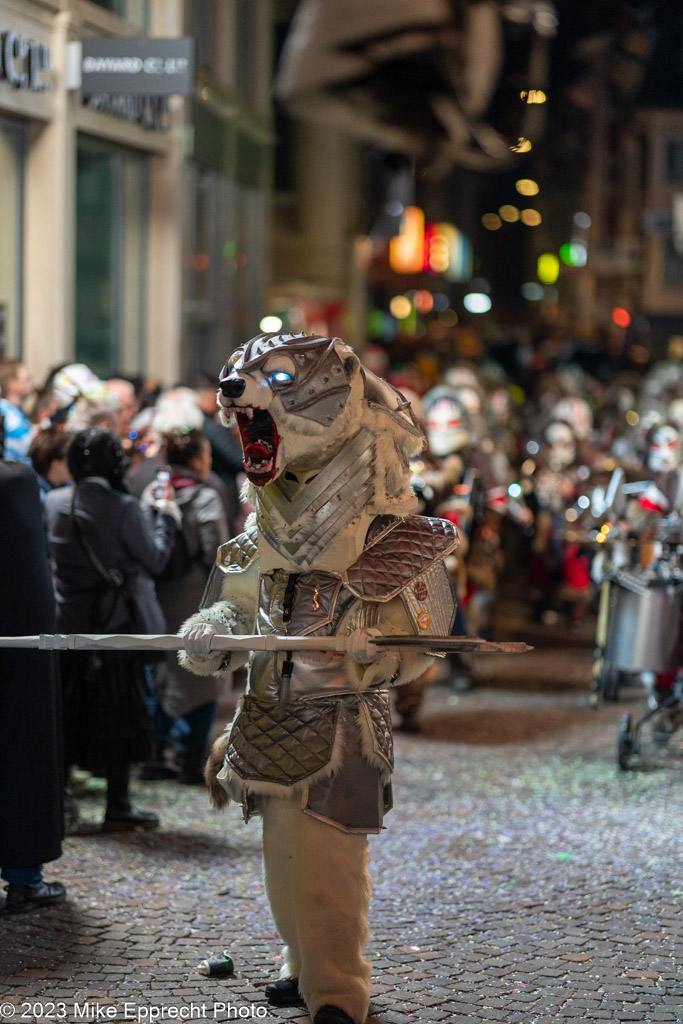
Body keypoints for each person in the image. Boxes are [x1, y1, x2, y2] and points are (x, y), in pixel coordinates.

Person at [181, 332, 458, 1024]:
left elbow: (422, 637)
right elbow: (234, 605)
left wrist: (376, 651)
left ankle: (336, 987)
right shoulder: (257, 538)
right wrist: (212, 632)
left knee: (329, 867)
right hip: (268, 717)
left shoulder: (387, 534)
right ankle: (297, 963)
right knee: (283, 861)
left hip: (340, 721)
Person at [45, 428, 179, 831]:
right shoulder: (122, 506)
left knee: (68, 712)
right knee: (121, 713)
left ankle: (62, 802)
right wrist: (164, 518)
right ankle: (117, 804)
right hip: (116, 626)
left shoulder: (53, 502)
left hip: (67, 623)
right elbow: (155, 559)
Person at [141, 427, 229, 783]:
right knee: (201, 670)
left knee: (160, 670)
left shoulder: (153, 492)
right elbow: (218, 553)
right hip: (194, 596)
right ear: (197, 459)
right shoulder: (206, 497)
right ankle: (191, 757)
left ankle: (155, 752)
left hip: (155, 595)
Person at [0, 461, 66, 912]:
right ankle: (24, 879)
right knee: (22, 754)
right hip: (20, 645)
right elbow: (29, 568)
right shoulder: (15, 482)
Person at [0, 358, 36, 463]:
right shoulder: (9, 415)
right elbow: (30, 449)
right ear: (13, 384)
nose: (30, 383)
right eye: (26, 379)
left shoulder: (10, 411)